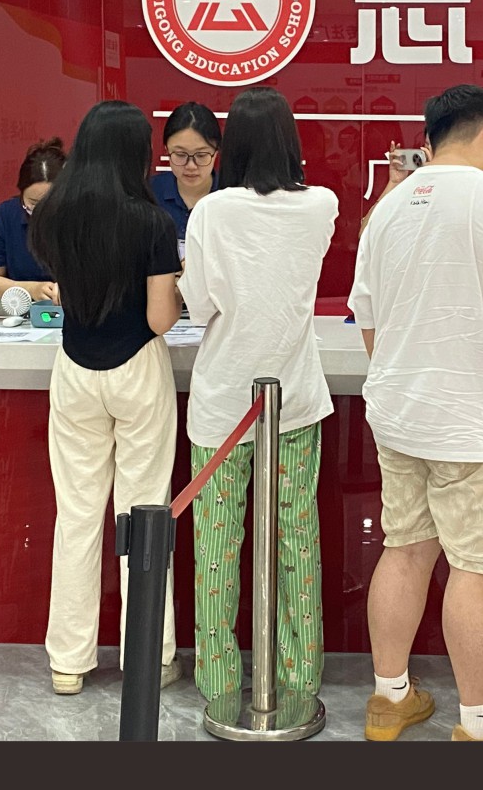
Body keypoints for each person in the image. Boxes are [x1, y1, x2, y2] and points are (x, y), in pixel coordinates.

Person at [350, 85, 483, 743]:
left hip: (399, 414)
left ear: (428, 140)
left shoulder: (387, 211)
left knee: (404, 550)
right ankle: (478, 724)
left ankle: (389, 698)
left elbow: (369, 320)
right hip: (475, 422)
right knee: (476, 567)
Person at [179, 86, 338, 703]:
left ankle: (219, 681)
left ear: (233, 147)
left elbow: (200, 306)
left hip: (223, 400)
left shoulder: (212, 212)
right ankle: (299, 678)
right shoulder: (321, 204)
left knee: (217, 548)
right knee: (297, 543)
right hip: (295, 396)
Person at [27, 101, 183, 696]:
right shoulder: (151, 223)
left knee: (77, 514)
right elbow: (160, 319)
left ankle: (68, 661)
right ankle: (149, 655)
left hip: (74, 367)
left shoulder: (54, 215)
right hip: (138, 367)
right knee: (144, 513)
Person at [0, 137, 65, 303]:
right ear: (21, 193)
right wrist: (30, 289)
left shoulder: (84, 218)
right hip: (17, 309)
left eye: (50, 204)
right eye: (33, 203)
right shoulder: (6, 215)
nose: (41, 212)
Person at [151, 102, 222, 254]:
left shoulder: (230, 196)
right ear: (167, 150)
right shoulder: (150, 193)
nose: (191, 166)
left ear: (216, 153)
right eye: (180, 155)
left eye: (201, 155)